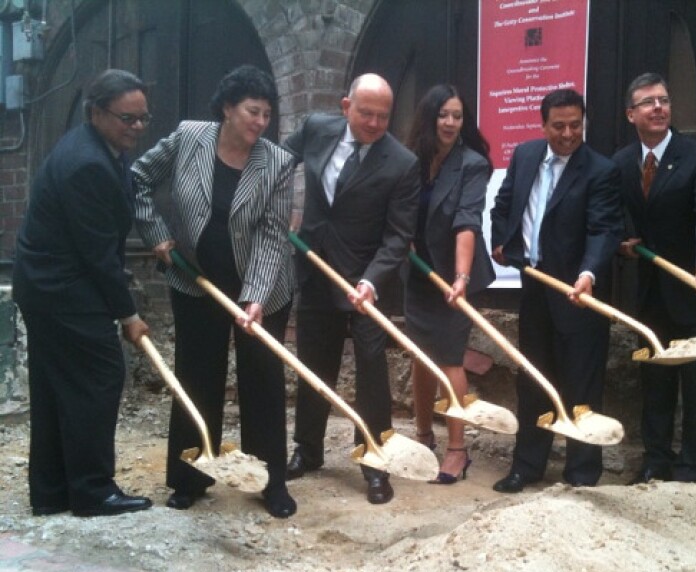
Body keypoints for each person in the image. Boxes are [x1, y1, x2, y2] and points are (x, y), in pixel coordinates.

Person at [132, 65, 296, 518]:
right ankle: (191, 477)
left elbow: (272, 236)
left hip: (262, 290)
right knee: (197, 377)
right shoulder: (189, 138)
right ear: (227, 108)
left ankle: (269, 483)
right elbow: (137, 179)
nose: (260, 122)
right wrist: (156, 233)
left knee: (262, 383)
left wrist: (255, 298)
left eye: (266, 114)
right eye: (252, 111)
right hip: (195, 279)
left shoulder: (277, 163)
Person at [12, 69, 153, 517]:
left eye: (142, 118)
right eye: (127, 118)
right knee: (99, 378)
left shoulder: (100, 149)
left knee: (55, 385)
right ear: (97, 113)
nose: (136, 127)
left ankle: (52, 491)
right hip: (63, 289)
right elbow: (98, 254)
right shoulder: (87, 164)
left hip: (46, 285)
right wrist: (129, 315)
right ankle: (93, 491)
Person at [282, 73, 420, 504]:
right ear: (346, 106)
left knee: (372, 373)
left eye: (383, 116)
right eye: (366, 113)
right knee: (313, 365)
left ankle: (375, 461)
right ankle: (308, 450)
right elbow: (274, 162)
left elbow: (398, 236)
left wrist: (370, 281)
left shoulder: (402, 163)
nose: (375, 124)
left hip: (368, 284)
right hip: (317, 272)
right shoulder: (315, 130)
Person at [490, 88, 623, 493]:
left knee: (581, 385)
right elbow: (504, 203)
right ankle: (527, 466)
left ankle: (581, 474)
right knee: (533, 380)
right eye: (559, 126)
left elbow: (604, 229)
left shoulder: (600, 170)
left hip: (578, 292)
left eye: (575, 125)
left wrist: (589, 273)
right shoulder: (526, 155)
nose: (568, 134)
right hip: (535, 288)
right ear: (543, 124)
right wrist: (502, 240)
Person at [614, 72, 696, 484]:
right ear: (631, 114)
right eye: (648, 102)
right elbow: (616, 214)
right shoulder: (621, 163)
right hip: (651, 292)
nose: (659, 107)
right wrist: (622, 243)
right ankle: (656, 461)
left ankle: (694, 468)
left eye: (663, 100)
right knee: (656, 380)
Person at [403, 84, 495, 484]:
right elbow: (400, 207)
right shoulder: (412, 159)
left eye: (457, 116)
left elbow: (466, 223)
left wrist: (460, 278)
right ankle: (424, 436)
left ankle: (457, 449)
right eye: (444, 114)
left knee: (449, 359)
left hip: (455, 277)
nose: (451, 122)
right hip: (418, 272)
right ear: (430, 117)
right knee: (420, 356)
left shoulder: (472, 164)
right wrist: (402, 237)